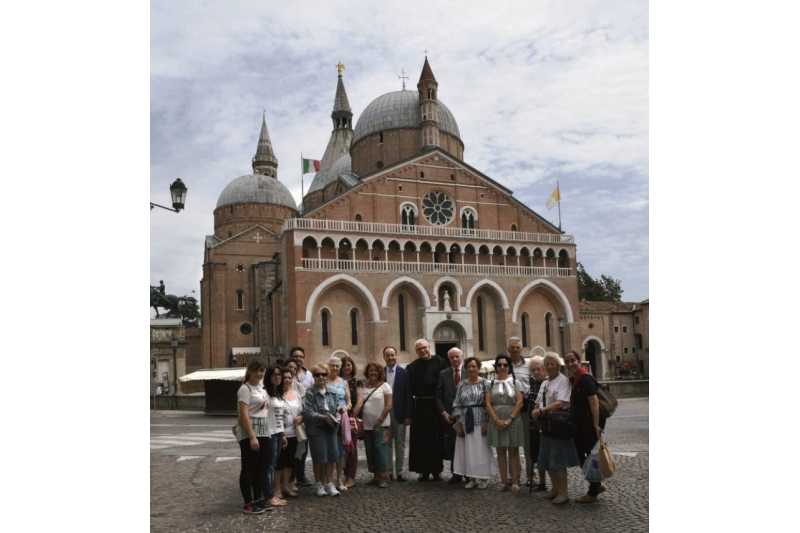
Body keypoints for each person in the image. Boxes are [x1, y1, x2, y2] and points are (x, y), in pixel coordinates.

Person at [531, 352, 580, 505]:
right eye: (547, 364)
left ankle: (563, 493)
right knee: (547, 458)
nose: (550, 366)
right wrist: (536, 408)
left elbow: (561, 402)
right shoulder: (545, 382)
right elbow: (539, 400)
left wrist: (541, 410)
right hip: (546, 425)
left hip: (559, 425)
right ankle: (554, 489)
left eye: (553, 364)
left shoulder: (563, 381)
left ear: (558, 366)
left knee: (558, 460)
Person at [564, 350, 607, 503]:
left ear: (579, 361)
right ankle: (596, 484)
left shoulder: (584, 379)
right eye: (567, 361)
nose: (570, 364)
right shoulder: (575, 378)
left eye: (572, 360)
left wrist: (596, 425)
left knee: (589, 455)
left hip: (589, 423)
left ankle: (593, 492)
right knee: (586, 454)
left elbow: (594, 402)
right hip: (582, 423)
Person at [234, 358, 273, 514]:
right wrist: (252, 437)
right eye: (256, 370)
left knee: (260, 468)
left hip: (264, 432)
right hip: (250, 433)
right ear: (249, 370)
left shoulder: (262, 389)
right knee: (248, 468)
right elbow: (243, 414)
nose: (259, 373)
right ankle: (248, 502)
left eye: (262, 370)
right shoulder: (245, 389)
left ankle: (258, 499)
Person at [407, 339, 449, 482]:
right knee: (421, 439)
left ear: (429, 347)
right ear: (416, 352)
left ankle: (437, 470)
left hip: (436, 405)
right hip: (420, 406)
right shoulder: (412, 367)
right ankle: (423, 471)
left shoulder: (440, 361)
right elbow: (409, 389)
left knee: (437, 438)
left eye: (424, 347)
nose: (423, 351)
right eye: (419, 349)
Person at [452, 356, 495, 489]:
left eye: (474, 366)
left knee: (481, 450)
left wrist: (487, 422)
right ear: (466, 368)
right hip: (465, 421)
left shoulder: (485, 383)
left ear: (478, 367)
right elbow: (457, 404)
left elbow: (489, 404)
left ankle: (483, 477)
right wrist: (458, 423)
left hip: (480, 420)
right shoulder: (462, 384)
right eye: (469, 366)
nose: (471, 369)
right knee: (468, 450)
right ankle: (471, 477)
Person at [485, 354, 524, 492]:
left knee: (514, 451)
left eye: (505, 365)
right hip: (496, 419)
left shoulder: (515, 383)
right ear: (496, 367)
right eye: (499, 365)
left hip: (513, 419)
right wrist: (496, 420)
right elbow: (488, 404)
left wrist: (509, 419)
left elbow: (519, 403)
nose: (502, 367)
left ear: (509, 367)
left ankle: (514, 482)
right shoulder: (490, 383)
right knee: (500, 451)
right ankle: (503, 482)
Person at [303, 363, 341, 497]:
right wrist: (324, 417)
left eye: (323, 374)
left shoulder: (333, 391)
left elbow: (337, 408)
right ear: (313, 376)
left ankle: (330, 484)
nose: (321, 377)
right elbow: (307, 412)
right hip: (316, 429)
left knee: (331, 456)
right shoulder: (309, 393)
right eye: (317, 374)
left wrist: (338, 416)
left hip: (331, 429)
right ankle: (319, 484)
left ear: (327, 375)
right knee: (319, 458)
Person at [353, 361, 393, 488]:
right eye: (371, 370)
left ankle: (384, 478)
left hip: (381, 424)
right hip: (366, 425)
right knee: (370, 451)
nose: (373, 372)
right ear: (367, 372)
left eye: (375, 370)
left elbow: (389, 405)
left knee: (380, 450)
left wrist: (380, 421)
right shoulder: (363, 386)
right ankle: (375, 476)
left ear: (380, 372)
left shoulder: (385, 386)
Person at [436, 346, 464, 484]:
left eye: (457, 356)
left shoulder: (469, 371)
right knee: (453, 445)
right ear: (449, 359)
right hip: (451, 416)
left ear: (461, 357)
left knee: (469, 446)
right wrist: (443, 413)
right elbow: (438, 397)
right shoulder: (443, 374)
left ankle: (470, 473)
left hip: (467, 416)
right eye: (452, 357)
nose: (455, 359)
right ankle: (456, 473)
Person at [507, 337, 533, 486]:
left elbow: (532, 384)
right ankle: (514, 475)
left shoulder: (528, 366)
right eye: (512, 347)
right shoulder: (504, 365)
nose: (515, 349)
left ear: (521, 349)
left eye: (517, 347)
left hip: (524, 408)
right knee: (512, 444)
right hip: (510, 409)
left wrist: (523, 395)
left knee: (528, 443)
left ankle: (531, 475)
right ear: (508, 349)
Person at [383, 346, 412, 482]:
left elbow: (408, 395)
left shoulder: (404, 373)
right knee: (387, 443)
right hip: (385, 412)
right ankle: (389, 471)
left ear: (396, 356)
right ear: (384, 357)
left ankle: (400, 471)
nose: (390, 358)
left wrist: (408, 415)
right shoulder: (380, 373)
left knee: (400, 443)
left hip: (400, 413)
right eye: (387, 355)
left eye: (392, 355)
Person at [326, 356, 352, 491]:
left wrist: (346, 408)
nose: (335, 368)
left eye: (337, 366)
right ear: (328, 366)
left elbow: (349, 402)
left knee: (341, 451)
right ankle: (328, 480)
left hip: (342, 419)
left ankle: (339, 480)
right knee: (330, 449)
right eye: (332, 365)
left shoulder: (344, 382)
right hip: (328, 420)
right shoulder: (323, 381)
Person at [264, 365, 289, 507]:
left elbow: (279, 417)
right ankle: (268, 496)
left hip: (278, 434)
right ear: (269, 377)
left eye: (279, 374)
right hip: (269, 434)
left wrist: (283, 434)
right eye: (274, 374)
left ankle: (271, 494)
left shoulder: (278, 393)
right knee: (268, 467)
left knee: (273, 466)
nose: (278, 377)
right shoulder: (265, 394)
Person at [289, 346, 313, 487]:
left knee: (303, 446)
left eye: (300, 356)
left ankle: (301, 474)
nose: (298, 358)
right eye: (295, 356)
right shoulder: (287, 373)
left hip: (305, 416)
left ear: (304, 358)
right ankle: (289, 477)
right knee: (290, 449)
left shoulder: (309, 375)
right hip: (290, 416)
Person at [277, 366, 303, 499]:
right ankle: (277, 489)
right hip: (280, 434)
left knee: (290, 461)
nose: (287, 380)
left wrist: (301, 417)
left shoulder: (296, 394)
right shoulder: (275, 394)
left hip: (294, 434)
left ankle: (286, 485)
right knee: (279, 462)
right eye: (285, 377)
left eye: (289, 377)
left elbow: (302, 410)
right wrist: (281, 434)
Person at [527, 356, 549, 492]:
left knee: (546, 452)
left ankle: (552, 483)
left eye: (539, 369)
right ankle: (541, 482)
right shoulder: (530, 382)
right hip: (532, 424)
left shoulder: (548, 383)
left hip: (546, 424)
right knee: (536, 453)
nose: (536, 372)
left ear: (544, 370)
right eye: (533, 370)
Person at [340, 355, 362, 489]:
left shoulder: (357, 381)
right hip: (340, 418)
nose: (347, 367)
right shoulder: (338, 382)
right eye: (344, 365)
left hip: (351, 419)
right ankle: (344, 474)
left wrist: (352, 416)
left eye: (349, 365)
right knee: (343, 448)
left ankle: (351, 476)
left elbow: (359, 401)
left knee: (352, 448)